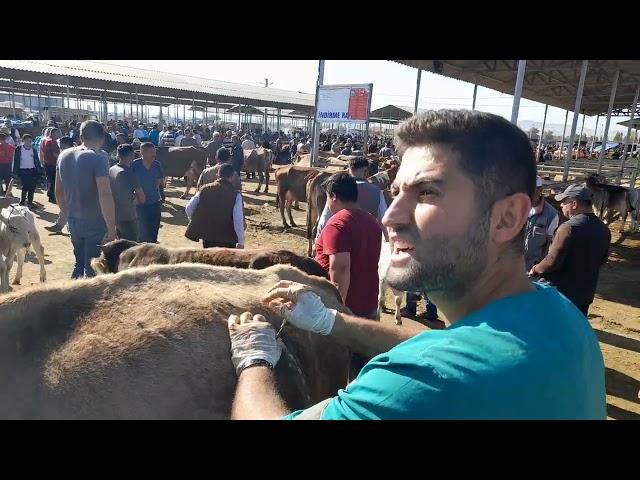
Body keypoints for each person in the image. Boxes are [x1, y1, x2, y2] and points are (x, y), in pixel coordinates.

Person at [224, 109, 606, 420]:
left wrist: (254, 359)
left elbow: (437, 365)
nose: (390, 217)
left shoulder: (418, 386)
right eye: (395, 193)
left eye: (427, 193)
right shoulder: (559, 315)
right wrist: (332, 322)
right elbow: (446, 345)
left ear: (507, 218)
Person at [313, 171, 383, 378]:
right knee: (361, 367)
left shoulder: (337, 224)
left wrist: (338, 308)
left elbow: (340, 268)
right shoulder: (372, 222)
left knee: (338, 370)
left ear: (333, 196)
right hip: (368, 302)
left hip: (346, 307)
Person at [529, 184, 611, 316]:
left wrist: (535, 269)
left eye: (564, 202)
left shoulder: (568, 228)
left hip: (560, 295)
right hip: (584, 295)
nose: (561, 205)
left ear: (574, 204)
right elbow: (602, 260)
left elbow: (551, 262)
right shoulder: (604, 229)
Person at [56, 120, 117, 279]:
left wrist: (67, 214)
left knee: (79, 264)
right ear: (103, 138)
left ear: (81, 137)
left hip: (74, 219)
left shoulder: (64, 155)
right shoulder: (99, 157)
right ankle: (87, 302)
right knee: (93, 268)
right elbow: (104, 193)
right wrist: (112, 228)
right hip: (95, 221)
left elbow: (58, 191)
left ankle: (72, 299)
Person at [315, 157, 388, 243]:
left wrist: (318, 239)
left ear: (349, 170)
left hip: (340, 239)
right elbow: (384, 220)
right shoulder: (377, 192)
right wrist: (387, 240)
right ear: (366, 171)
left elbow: (324, 219)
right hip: (367, 241)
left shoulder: (338, 189)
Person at [185, 163, 245, 249]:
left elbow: (189, 208)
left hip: (208, 236)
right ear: (232, 177)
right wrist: (241, 241)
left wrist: (199, 220)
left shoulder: (204, 189)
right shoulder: (236, 195)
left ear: (217, 175)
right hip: (227, 238)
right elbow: (238, 220)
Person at [109, 144, 145, 241]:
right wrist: (134, 200)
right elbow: (142, 198)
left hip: (114, 215)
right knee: (131, 246)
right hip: (127, 216)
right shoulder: (129, 173)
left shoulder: (111, 170)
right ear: (132, 156)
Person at [524, 176, 560, 271]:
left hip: (532, 269)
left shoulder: (551, 214)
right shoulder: (515, 209)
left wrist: (539, 268)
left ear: (540, 190)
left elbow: (550, 245)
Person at [131, 142, 164, 243]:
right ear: (142, 153)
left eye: (154, 152)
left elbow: (160, 179)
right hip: (139, 204)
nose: (154, 155)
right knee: (141, 233)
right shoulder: (134, 165)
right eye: (151, 152)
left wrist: (155, 189)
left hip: (154, 203)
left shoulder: (157, 164)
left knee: (153, 231)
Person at [44, 137, 76, 233]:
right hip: (68, 186)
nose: (60, 149)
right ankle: (60, 225)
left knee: (71, 207)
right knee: (66, 206)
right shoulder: (64, 156)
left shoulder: (75, 156)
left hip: (76, 186)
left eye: (62, 147)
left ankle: (66, 227)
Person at [12, 134, 42, 208]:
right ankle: (22, 202)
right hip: (23, 171)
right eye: (27, 140)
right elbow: (15, 161)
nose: (29, 142)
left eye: (30, 140)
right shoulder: (19, 149)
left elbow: (36, 161)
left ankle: (30, 202)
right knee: (25, 186)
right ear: (23, 141)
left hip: (32, 170)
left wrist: (39, 170)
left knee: (32, 187)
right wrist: (15, 172)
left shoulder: (33, 150)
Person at [42, 128, 62, 203]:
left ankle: (49, 193)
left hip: (47, 162)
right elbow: (55, 154)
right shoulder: (52, 141)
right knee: (54, 181)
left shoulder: (45, 140)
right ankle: (52, 197)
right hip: (52, 163)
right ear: (53, 133)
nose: (59, 135)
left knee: (50, 180)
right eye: (58, 133)